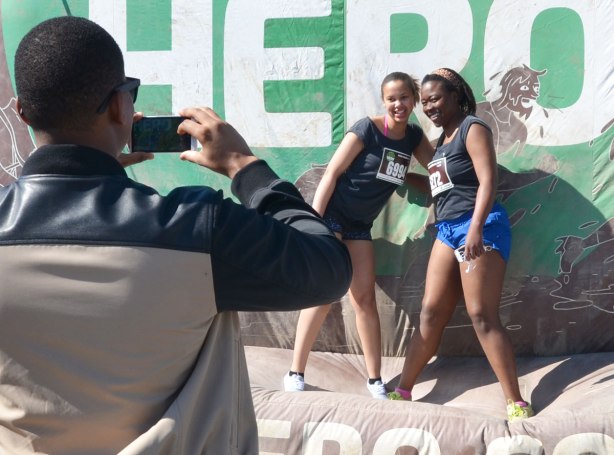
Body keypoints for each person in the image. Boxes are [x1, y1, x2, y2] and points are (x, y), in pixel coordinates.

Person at [0, 16, 352, 454]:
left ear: (23, 112)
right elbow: (327, 267)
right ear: (119, 108)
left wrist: (94, 181)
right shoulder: (197, 228)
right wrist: (244, 166)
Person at [388, 68, 534, 422]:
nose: (429, 107)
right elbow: (440, 187)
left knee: (481, 315)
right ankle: (403, 390)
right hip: (446, 229)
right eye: (424, 103)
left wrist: (476, 229)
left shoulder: (473, 127)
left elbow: (488, 181)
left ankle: (516, 401)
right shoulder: (441, 143)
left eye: (435, 99)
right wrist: (405, 176)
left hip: (479, 226)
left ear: (455, 96)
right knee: (430, 312)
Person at [283, 72, 433, 399]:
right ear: (384, 101)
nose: (398, 104)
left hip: (360, 226)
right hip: (333, 218)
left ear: (414, 100)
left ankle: (375, 380)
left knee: (364, 299)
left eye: (404, 98)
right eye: (392, 98)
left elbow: (437, 170)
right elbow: (332, 174)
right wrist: (315, 224)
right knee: (324, 294)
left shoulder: (413, 137)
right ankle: (295, 371)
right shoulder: (367, 128)